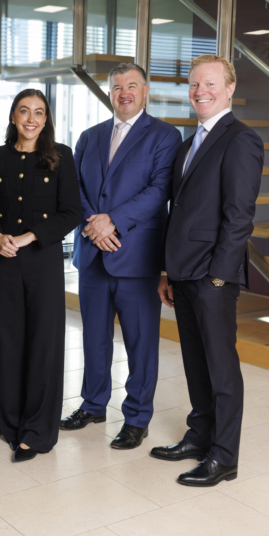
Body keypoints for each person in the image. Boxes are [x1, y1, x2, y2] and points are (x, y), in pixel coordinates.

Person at [152, 54, 264, 487]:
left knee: (221, 367)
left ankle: (224, 455)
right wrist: (166, 271)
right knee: (195, 362)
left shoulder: (241, 140)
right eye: (195, 84)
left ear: (230, 89)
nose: (200, 91)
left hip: (213, 277)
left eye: (210, 84)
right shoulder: (187, 143)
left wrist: (219, 276)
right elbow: (176, 213)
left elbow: (239, 217)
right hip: (181, 271)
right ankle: (200, 435)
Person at [61, 63, 180, 450]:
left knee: (140, 342)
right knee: (94, 338)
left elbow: (159, 189)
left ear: (145, 91)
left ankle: (136, 417)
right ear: (109, 93)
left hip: (137, 258)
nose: (124, 93)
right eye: (116, 87)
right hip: (93, 255)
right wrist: (93, 226)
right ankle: (93, 405)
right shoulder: (90, 136)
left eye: (132, 86)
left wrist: (112, 222)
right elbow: (72, 187)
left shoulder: (165, 136)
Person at [0, 89, 81, 462]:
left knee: (43, 346)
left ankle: (37, 431)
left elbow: (71, 212)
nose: (31, 119)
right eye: (24, 111)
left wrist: (29, 236)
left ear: (47, 118)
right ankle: (12, 423)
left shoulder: (61, 157)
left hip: (43, 264)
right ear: (13, 117)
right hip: (5, 264)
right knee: (11, 343)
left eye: (39, 112)